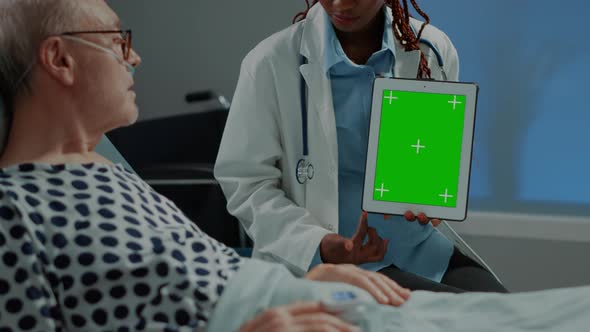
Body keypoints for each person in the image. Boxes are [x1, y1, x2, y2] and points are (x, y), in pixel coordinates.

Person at [0, 0, 408, 330]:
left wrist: (304, 282)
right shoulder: (13, 212)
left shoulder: (109, 174)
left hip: (305, 295)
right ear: (60, 59)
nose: (135, 57)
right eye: (115, 40)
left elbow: (196, 272)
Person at [214, 0, 507, 293]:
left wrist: (433, 195)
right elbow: (247, 184)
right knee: (466, 316)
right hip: (325, 263)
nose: (340, 3)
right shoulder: (270, 62)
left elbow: (430, 156)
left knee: (506, 311)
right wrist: (321, 244)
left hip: (418, 249)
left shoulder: (432, 50)